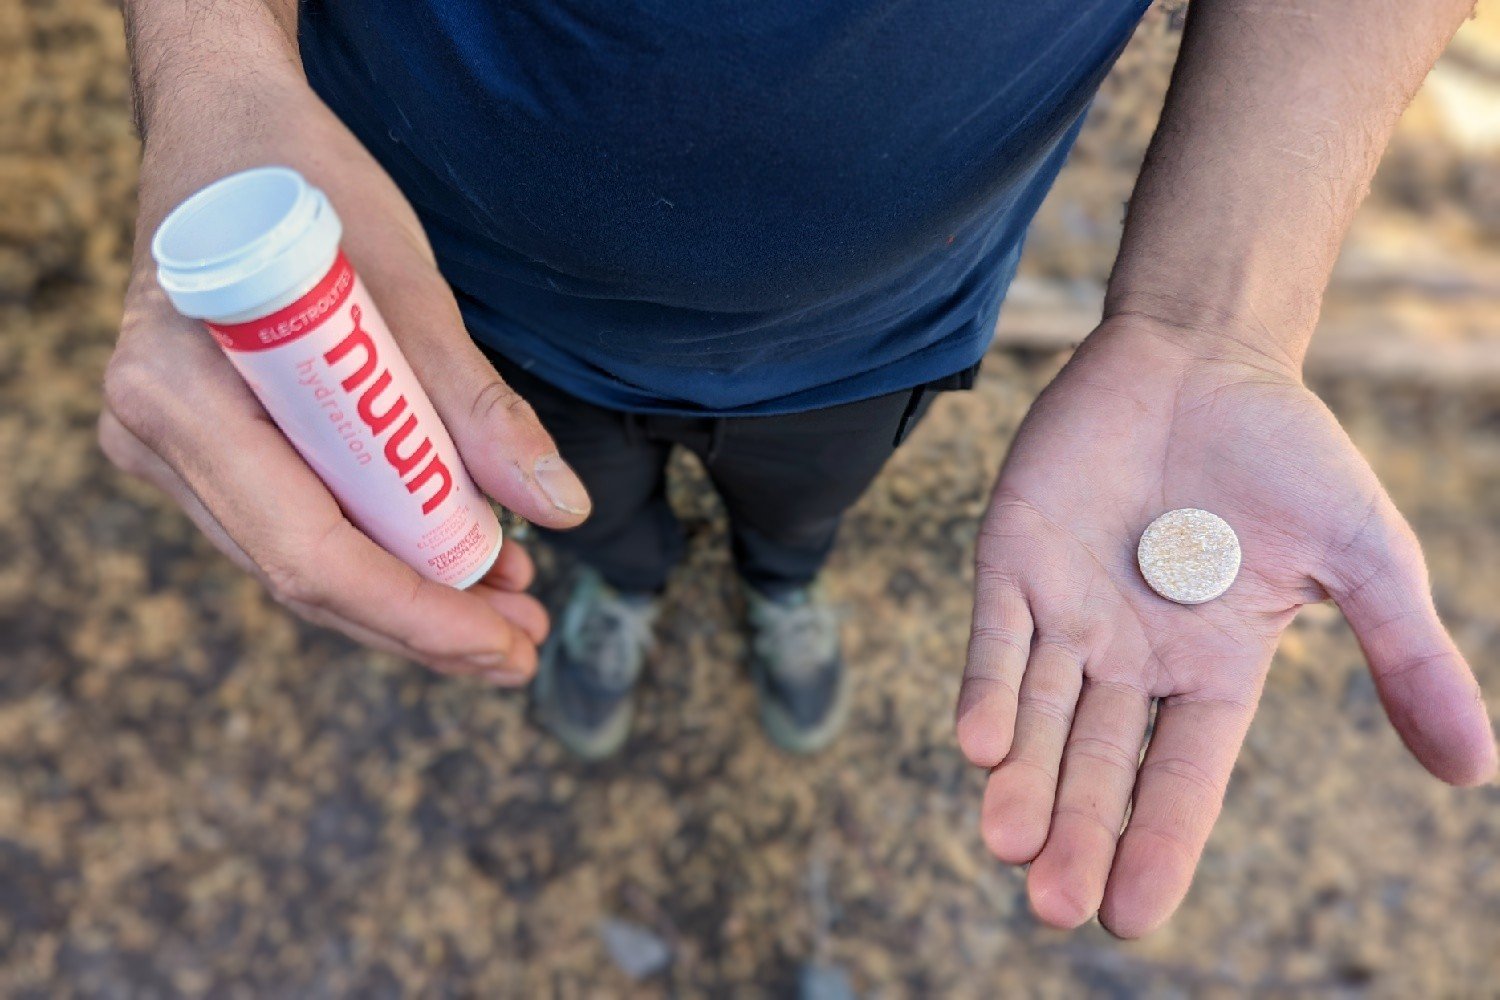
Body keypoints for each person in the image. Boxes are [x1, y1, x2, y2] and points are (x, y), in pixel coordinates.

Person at [102, 0, 1496, 938]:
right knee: (573, 509)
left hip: (872, 339)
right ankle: (630, 592)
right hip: (439, 297)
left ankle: (783, 586)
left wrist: (1215, 314)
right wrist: (214, 66)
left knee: (806, 505)